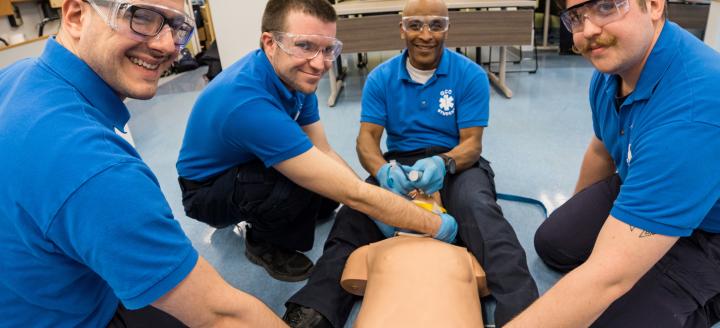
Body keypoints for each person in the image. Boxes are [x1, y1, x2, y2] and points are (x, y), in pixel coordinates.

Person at [0, 0, 288, 326]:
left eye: (177, 28)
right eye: (140, 16)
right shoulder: (97, 171)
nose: (168, 46)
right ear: (76, 15)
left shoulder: (17, 76)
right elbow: (221, 315)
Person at [283, 1, 539, 327]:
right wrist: (382, 172)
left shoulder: (470, 75)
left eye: (436, 25)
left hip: (456, 162)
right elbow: (367, 141)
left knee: (480, 211)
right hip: (398, 163)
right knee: (352, 217)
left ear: (448, 28)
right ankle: (314, 308)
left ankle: (525, 313)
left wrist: (443, 163)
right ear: (402, 28)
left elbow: (472, 144)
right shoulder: (381, 78)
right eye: (416, 25)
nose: (426, 35)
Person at [176, 0, 458, 283]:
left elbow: (322, 149)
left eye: (328, 49)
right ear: (270, 43)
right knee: (291, 188)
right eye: (305, 46)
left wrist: (372, 197)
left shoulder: (296, 75)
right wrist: (433, 223)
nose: (319, 63)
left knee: (324, 195)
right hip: (206, 190)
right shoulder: (247, 102)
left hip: (245, 159)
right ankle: (262, 242)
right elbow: (351, 193)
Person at [509, 0, 720, 326]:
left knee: (605, 314)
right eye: (576, 17)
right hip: (645, 176)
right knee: (554, 244)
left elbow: (607, 280)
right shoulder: (613, 73)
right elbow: (602, 151)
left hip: (709, 230)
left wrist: (605, 270)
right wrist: (579, 215)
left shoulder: (694, 108)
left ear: (653, 5)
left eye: (606, 6)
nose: (588, 30)